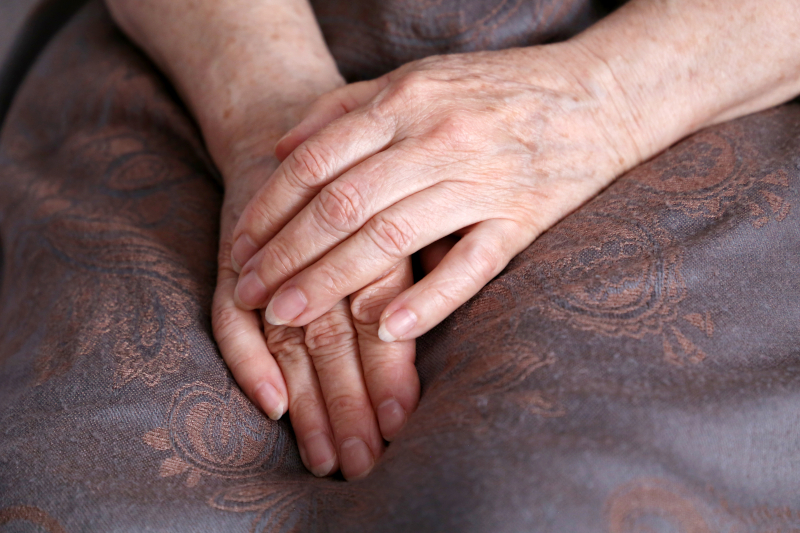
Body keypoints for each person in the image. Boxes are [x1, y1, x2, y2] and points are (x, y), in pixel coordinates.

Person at [104, 0, 800, 482]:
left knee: (539, 481)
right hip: (219, 51)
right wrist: (272, 117)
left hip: (690, 67)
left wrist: (604, 96)